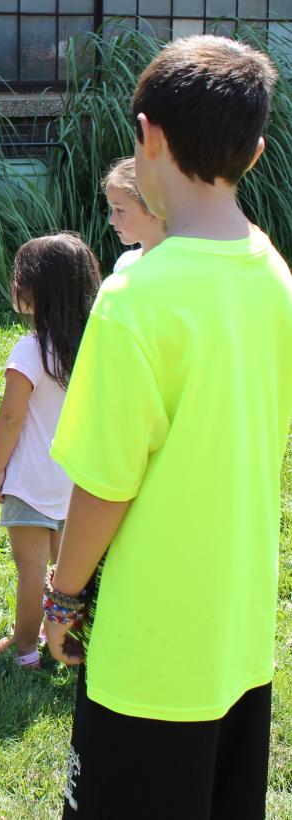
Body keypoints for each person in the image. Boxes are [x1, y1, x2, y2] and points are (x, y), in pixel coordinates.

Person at [43, 35, 292, 817]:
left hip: (148, 659)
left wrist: (63, 597)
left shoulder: (135, 299)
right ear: (252, 152)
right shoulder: (273, 270)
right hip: (238, 643)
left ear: (147, 134)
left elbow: (105, 485)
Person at [0, 233, 100, 669]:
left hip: (29, 482)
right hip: (74, 479)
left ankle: (26, 648)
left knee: (29, 568)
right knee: (67, 570)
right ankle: (62, 638)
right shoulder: (92, 349)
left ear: (36, 290)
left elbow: (10, 418)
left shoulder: (29, 351)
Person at [101, 157, 166, 272]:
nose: (111, 220)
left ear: (153, 209)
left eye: (120, 210)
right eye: (112, 210)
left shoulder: (183, 268)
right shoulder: (124, 264)